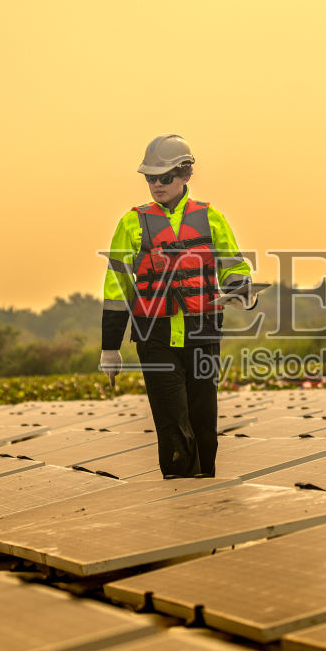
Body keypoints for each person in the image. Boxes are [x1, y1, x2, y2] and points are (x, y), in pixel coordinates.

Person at [100, 135, 253, 478]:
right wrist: (110, 348)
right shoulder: (131, 223)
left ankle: (204, 495)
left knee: (203, 421)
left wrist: (242, 289)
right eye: (150, 178)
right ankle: (178, 496)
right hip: (154, 336)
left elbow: (235, 267)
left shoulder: (211, 218)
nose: (156, 185)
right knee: (172, 421)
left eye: (164, 177)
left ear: (185, 175)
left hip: (203, 333)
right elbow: (117, 287)